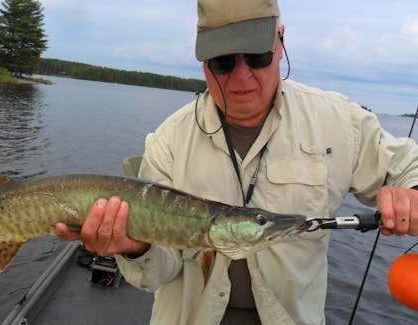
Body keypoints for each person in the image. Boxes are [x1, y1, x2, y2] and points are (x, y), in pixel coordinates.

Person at [55, 0, 418, 324]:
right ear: (203, 64)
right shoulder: (168, 141)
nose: (241, 77)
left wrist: (412, 193)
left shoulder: (340, 122)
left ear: (280, 42)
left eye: (257, 56)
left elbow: (406, 164)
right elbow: (158, 273)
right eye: (224, 62)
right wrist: (135, 247)